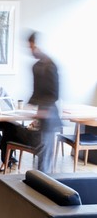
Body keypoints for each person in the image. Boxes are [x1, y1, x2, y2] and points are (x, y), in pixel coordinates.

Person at [27, 31, 61, 173]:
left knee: (45, 149)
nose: (32, 51)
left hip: (49, 112)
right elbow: (36, 91)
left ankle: (43, 180)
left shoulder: (51, 65)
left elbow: (54, 93)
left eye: (33, 47)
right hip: (41, 110)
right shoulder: (36, 67)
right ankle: (40, 178)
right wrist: (30, 105)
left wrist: (43, 110)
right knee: (41, 148)